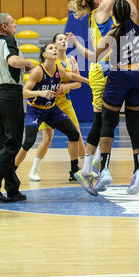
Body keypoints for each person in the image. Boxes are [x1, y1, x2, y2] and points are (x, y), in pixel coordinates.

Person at [67, 0, 139, 182]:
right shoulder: (103, 11)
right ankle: (93, 166)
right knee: (104, 121)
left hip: (109, 68)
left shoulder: (112, 24)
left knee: (107, 120)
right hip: (104, 69)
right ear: (97, 2)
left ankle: (93, 165)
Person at [0, 13, 34, 203]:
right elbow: (12, 61)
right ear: (4, 27)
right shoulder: (9, 40)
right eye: (12, 23)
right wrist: (28, 63)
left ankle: (12, 188)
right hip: (10, 95)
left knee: (5, 145)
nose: (15, 25)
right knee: (13, 144)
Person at [14, 43, 90, 170]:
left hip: (52, 110)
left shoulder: (57, 69)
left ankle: (74, 170)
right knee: (29, 141)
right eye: (51, 48)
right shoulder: (38, 71)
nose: (54, 49)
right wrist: (40, 93)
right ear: (44, 54)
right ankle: (12, 170)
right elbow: (23, 92)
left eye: (55, 48)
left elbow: (71, 76)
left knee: (74, 134)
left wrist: (87, 81)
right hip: (35, 110)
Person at [28, 33, 86, 182]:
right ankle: (34, 169)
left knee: (77, 134)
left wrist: (65, 86)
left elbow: (77, 82)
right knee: (47, 138)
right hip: (48, 104)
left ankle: (84, 168)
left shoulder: (71, 60)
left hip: (65, 102)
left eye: (65, 40)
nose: (64, 42)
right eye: (60, 40)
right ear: (53, 44)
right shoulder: (50, 62)